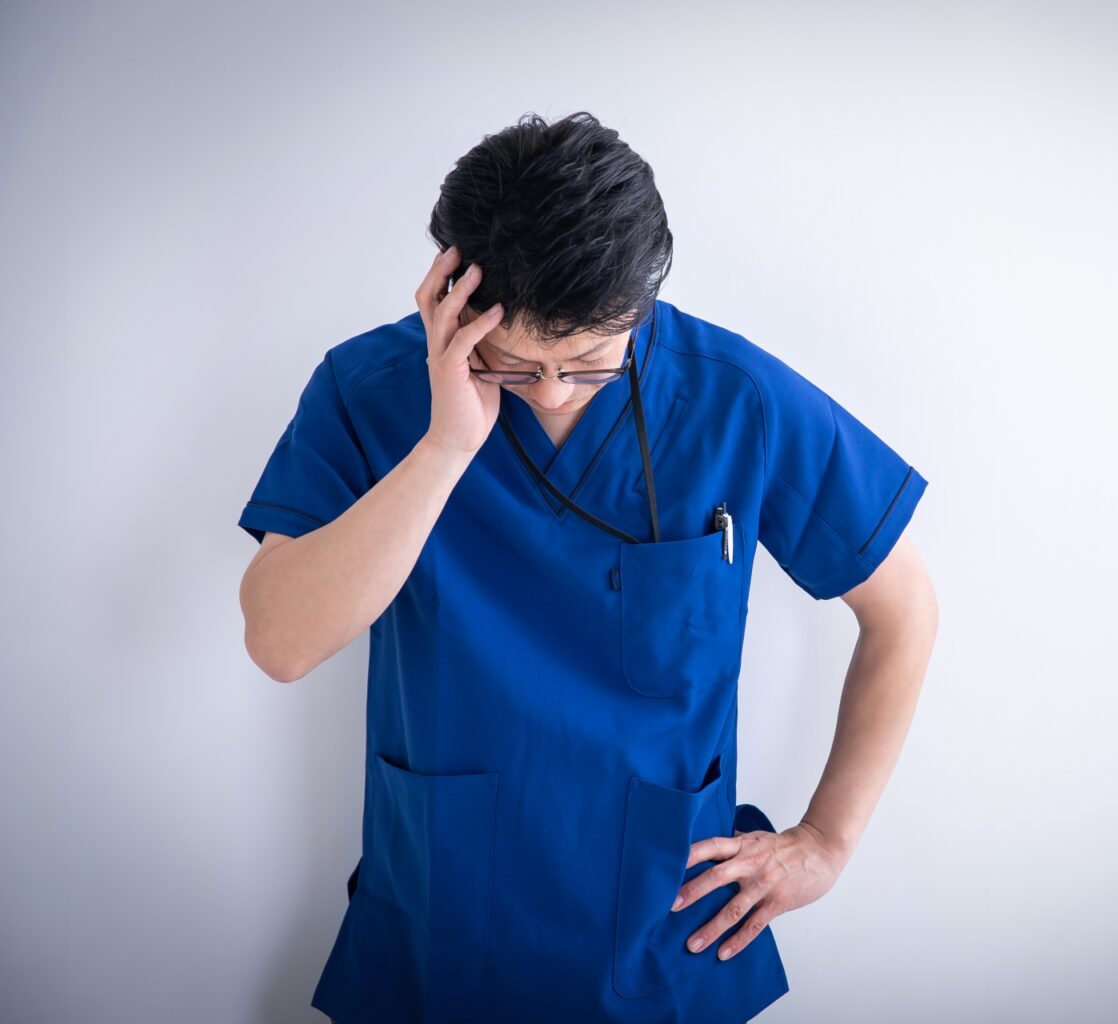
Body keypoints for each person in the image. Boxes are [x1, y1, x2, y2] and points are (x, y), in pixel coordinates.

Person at [237, 111, 938, 1023]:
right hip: (441, 924)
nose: (555, 392)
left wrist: (827, 841)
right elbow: (280, 642)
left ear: (640, 305)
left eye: (589, 363)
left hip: (665, 933)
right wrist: (446, 447)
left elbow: (904, 609)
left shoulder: (737, 398)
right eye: (516, 365)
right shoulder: (368, 393)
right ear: (452, 295)